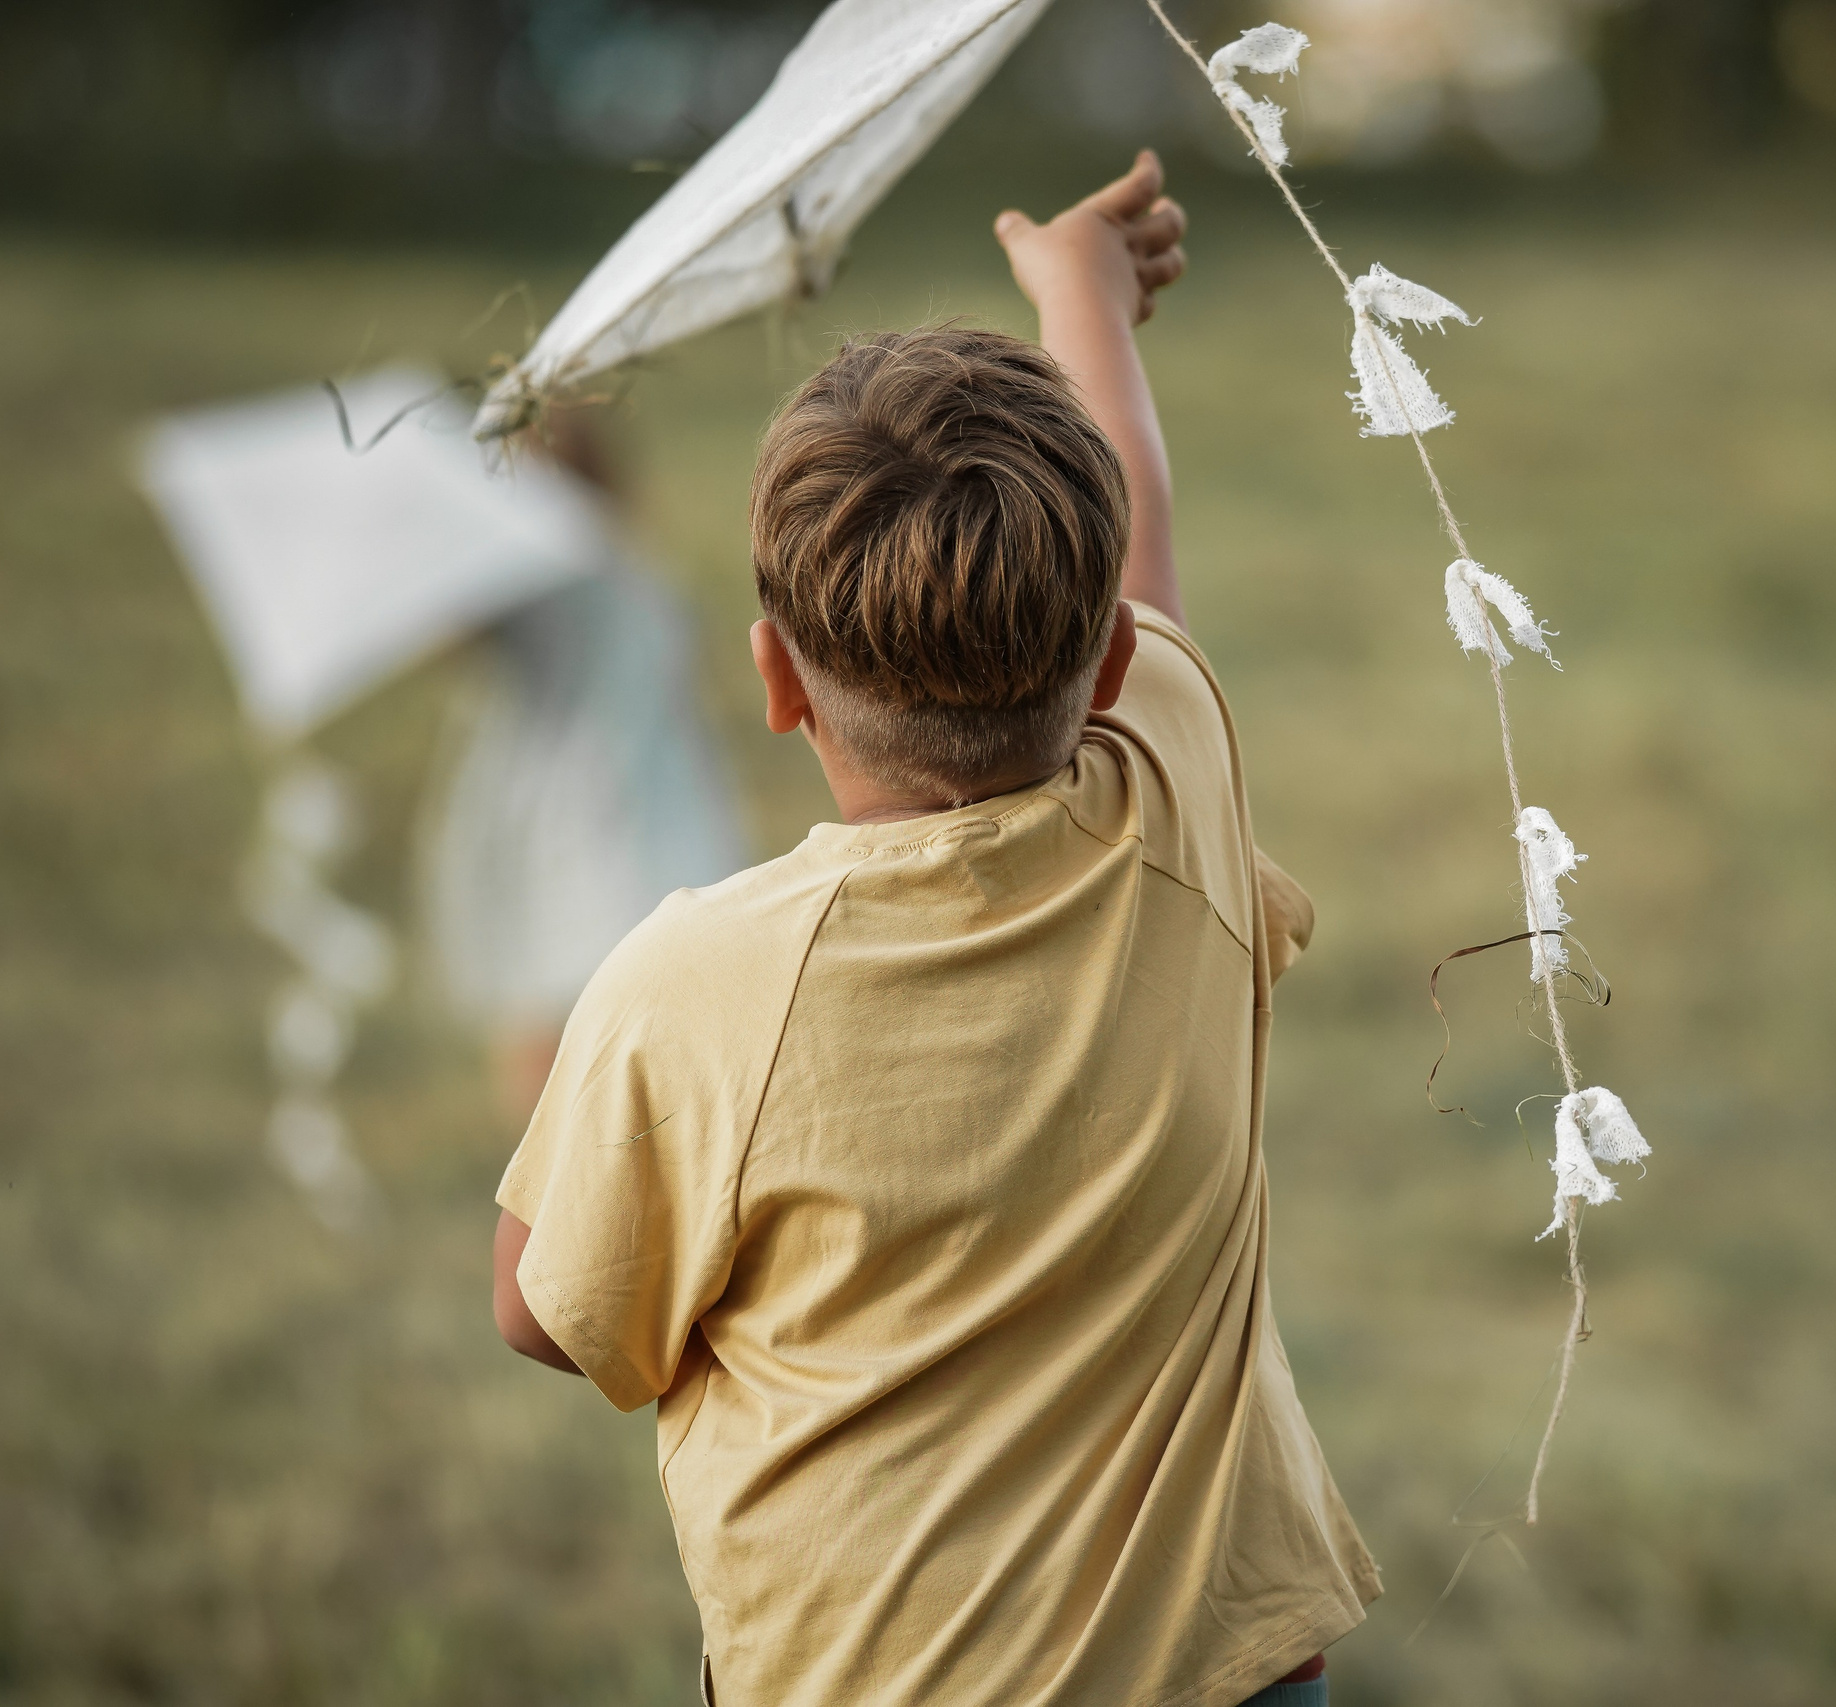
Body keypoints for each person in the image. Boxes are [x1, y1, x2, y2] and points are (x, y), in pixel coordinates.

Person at [489, 151, 1378, 1706]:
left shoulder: (689, 985)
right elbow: (1141, 546)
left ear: (773, 680)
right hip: (1223, 1676)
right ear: (1108, 669)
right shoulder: (1172, 780)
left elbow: (540, 1307)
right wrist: (1081, 298)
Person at [421, 410, 750, 1118]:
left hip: (584, 805)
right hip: (625, 798)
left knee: (560, 1000)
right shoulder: (628, 573)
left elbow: (450, 636)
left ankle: (560, 1181)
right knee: (591, 994)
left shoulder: (576, 574)